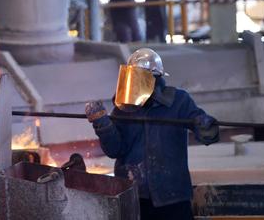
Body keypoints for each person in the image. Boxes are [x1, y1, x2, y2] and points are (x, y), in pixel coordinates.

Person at [85, 48, 219, 220]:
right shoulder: (124, 108)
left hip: (173, 198)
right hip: (135, 197)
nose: (132, 82)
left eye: (137, 77)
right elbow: (115, 150)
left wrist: (205, 125)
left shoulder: (178, 102)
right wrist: (102, 123)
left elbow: (208, 136)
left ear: (153, 78)